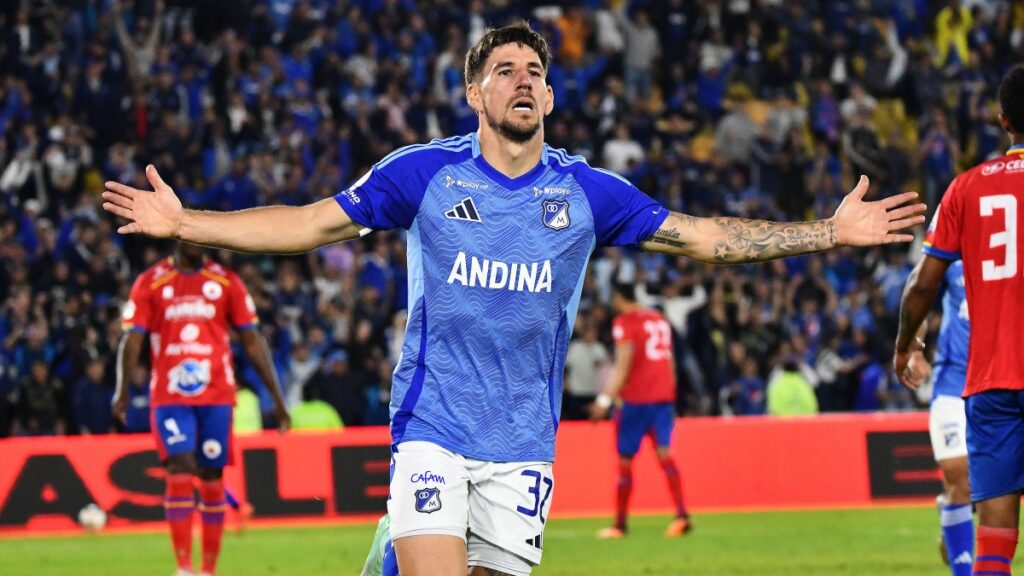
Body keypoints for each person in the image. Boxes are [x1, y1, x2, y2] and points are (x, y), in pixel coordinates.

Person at [103, 23, 924, 576]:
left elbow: (702, 235)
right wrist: (189, 222)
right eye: (504, 70)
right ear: (474, 95)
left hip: (524, 443)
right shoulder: (423, 174)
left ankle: (389, 549)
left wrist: (825, 232)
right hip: (434, 425)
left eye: (536, 71)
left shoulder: (587, 192)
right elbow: (308, 223)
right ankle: (408, 535)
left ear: (553, 98)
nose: (523, 80)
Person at [895, 64, 1024, 576]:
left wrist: (905, 343)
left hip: (990, 382)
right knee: (959, 482)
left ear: (1001, 119)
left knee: (994, 537)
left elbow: (923, 284)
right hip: (971, 375)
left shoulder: (966, 188)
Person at [113, 241, 290, 576]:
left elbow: (252, 341)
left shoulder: (226, 282)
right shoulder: (151, 281)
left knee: (211, 477)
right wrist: (121, 391)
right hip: (170, 396)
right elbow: (132, 339)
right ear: (177, 236)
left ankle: (207, 570)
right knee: (179, 468)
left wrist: (278, 399)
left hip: (216, 396)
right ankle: (184, 567)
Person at [589, 283, 691, 539]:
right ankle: (682, 516)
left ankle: (620, 525)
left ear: (618, 297)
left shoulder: (625, 322)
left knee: (625, 463)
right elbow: (670, 362)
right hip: (662, 399)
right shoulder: (659, 319)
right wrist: (670, 395)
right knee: (666, 457)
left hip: (635, 401)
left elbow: (623, 365)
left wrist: (603, 400)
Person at [906, 257, 973, 574]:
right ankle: (964, 567)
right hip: (953, 382)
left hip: (1002, 384)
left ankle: (955, 515)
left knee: (997, 490)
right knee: (961, 477)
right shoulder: (954, 259)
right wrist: (915, 349)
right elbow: (921, 291)